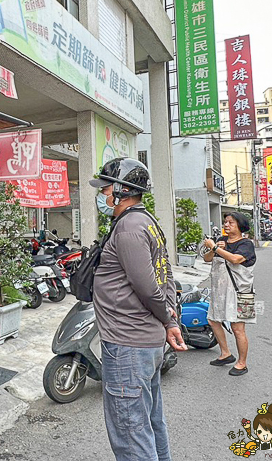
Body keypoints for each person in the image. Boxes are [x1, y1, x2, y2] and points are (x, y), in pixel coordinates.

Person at [89, 157, 186, 461]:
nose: (102, 195)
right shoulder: (147, 222)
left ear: (119, 190)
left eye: (104, 188)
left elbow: (147, 285)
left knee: (131, 434)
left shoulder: (129, 227)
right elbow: (166, 274)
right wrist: (169, 319)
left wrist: (166, 317)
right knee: (149, 424)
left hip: (128, 344)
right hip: (143, 342)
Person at [202, 211, 255, 377]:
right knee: (212, 319)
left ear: (240, 226)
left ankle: (242, 363)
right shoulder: (222, 241)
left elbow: (235, 259)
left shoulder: (246, 244)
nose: (226, 225)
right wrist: (213, 249)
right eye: (225, 222)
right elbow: (207, 259)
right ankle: (225, 353)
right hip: (220, 292)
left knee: (237, 328)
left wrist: (215, 247)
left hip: (240, 292)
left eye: (231, 222)